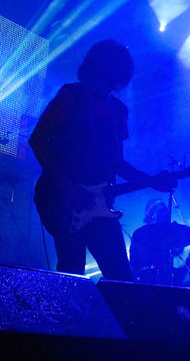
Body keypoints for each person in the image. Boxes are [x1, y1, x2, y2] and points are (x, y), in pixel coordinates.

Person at [29, 39, 175, 280]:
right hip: (61, 199)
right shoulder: (70, 96)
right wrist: (68, 187)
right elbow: (37, 140)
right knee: (72, 275)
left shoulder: (118, 110)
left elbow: (117, 163)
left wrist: (151, 181)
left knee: (122, 280)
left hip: (99, 205)